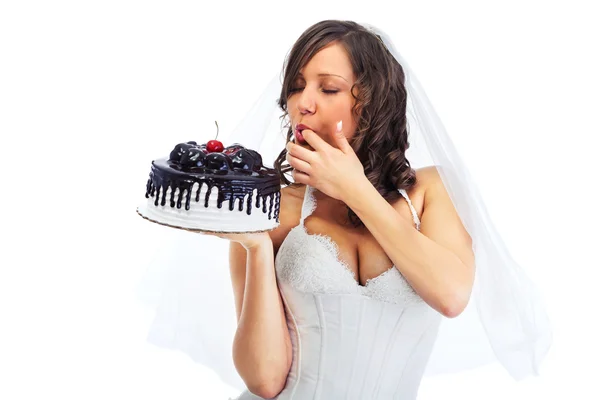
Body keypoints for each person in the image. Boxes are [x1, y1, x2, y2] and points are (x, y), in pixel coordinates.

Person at [138, 20, 551, 400]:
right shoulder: (272, 209)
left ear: (373, 105)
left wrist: (354, 190)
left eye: (328, 88)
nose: (304, 103)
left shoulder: (430, 191)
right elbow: (264, 380)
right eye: (297, 87)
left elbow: (451, 295)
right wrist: (258, 249)